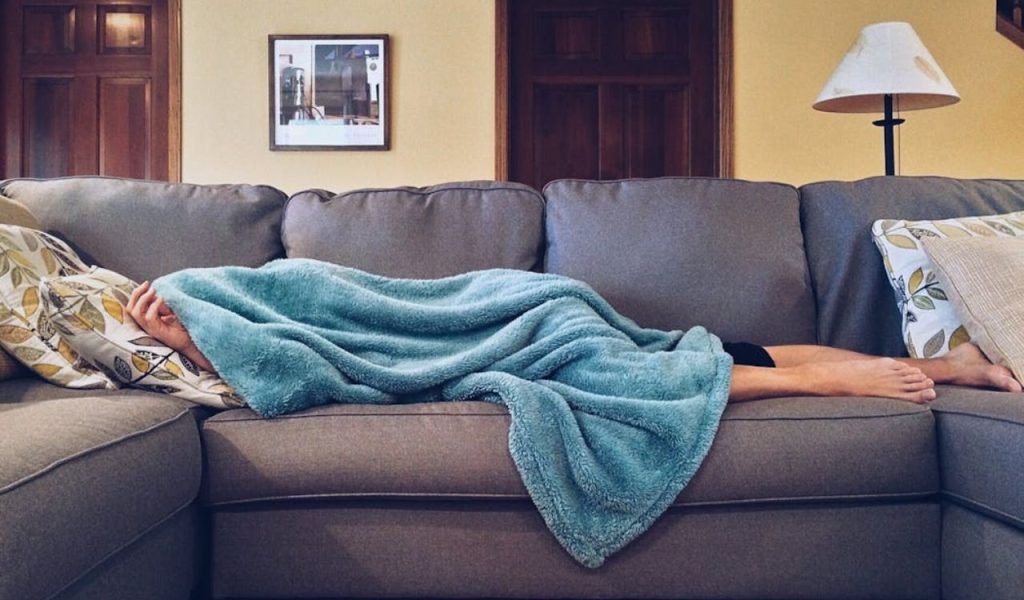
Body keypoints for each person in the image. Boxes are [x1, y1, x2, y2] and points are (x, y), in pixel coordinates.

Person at [126, 280, 1023, 405]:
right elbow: (306, 360)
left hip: (535, 313)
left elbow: (312, 349)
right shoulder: (224, 312)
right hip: (544, 311)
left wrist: (196, 334)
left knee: (638, 370)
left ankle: (839, 383)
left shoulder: (239, 292)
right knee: (702, 349)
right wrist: (198, 341)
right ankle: (950, 365)